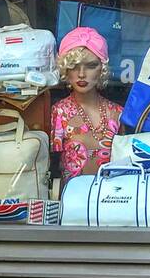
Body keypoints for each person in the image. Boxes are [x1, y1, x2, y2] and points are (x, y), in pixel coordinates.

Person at [50, 27, 122, 183]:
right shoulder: (59, 112)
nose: (82, 74)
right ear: (65, 69)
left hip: (112, 198)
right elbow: (52, 167)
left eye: (91, 65)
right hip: (73, 199)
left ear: (102, 68)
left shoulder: (117, 113)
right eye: (74, 66)